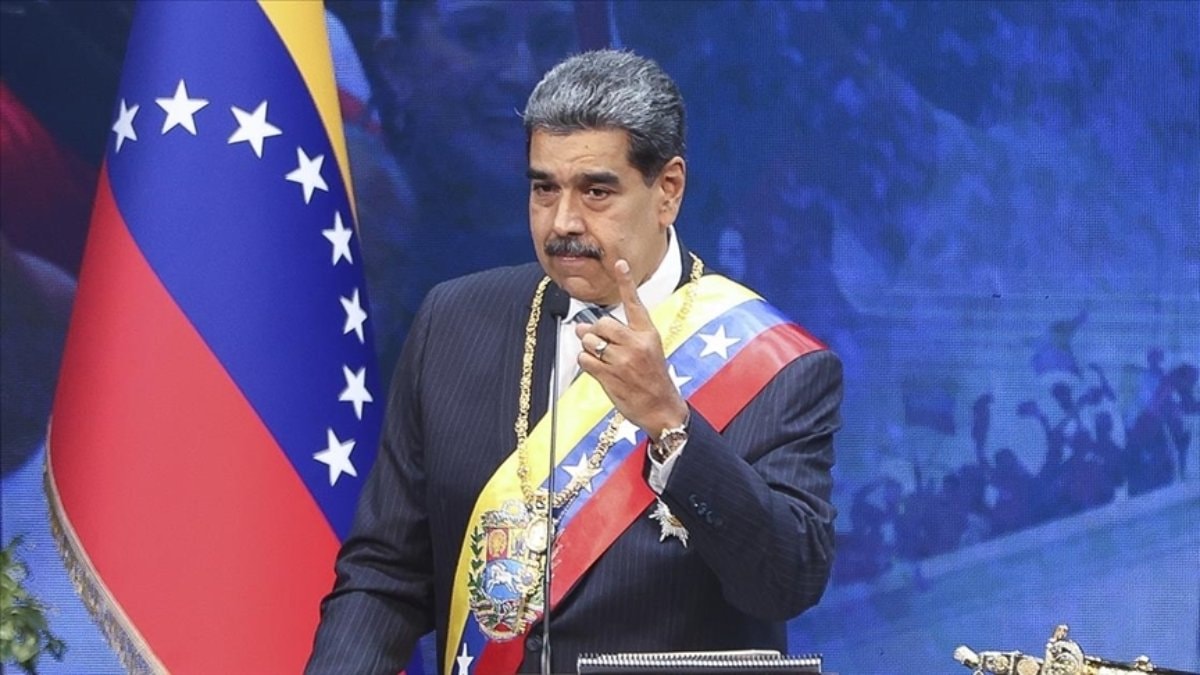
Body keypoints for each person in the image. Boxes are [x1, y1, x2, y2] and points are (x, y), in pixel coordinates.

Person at [307, 49, 841, 675]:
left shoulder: (777, 365)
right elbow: (385, 572)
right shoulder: (452, 322)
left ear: (667, 190)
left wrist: (673, 426)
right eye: (544, 189)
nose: (563, 222)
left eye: (596, 191)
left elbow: (785, 583)